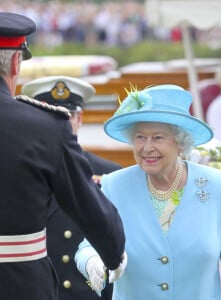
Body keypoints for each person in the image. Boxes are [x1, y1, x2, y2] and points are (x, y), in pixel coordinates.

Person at [74, 84, 221, 299]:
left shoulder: (216, 185)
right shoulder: (115, 185)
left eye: (158, 137)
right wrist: (92, 262)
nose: (147, 147)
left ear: (181, 142)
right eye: (140, 137)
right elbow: (87, 246)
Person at [0, 12, 126, 300]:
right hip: (19, 284)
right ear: (17, 63)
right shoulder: (46, 127)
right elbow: (88, 206)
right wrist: (114, 255)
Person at [21, 76, 121, 300]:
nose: (59, 125)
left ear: (80, 118)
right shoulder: (18, 169)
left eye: (66, 116)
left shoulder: (111, 174)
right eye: (51, 117)